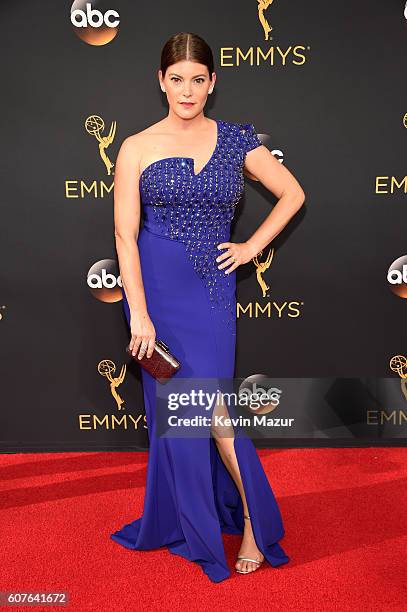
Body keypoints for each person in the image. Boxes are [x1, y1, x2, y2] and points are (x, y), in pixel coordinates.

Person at [110, 31, 305, 583]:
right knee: (185, 419)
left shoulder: (238, 139)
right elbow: (126, 236)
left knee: (214, 416)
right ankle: (200, 516)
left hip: (213, 294)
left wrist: (250, 247)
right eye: (177, 79)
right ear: (161, 81)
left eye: (198, 79)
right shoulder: (136, 147)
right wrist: (139, 313)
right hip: (156, 295)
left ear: (213, 83)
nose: (187, 90)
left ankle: (251, 520)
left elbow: (292, 193)